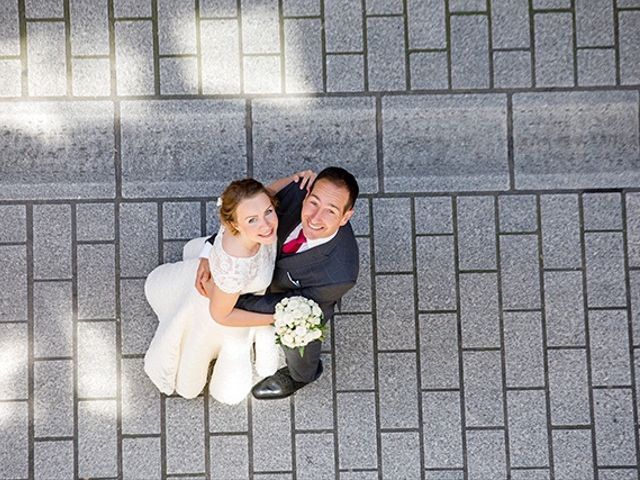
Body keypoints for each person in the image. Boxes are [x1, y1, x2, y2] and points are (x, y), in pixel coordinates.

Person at [144, 172, 315, 404]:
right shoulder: (235, 269)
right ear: (234, 224)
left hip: (236, 292)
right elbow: (221, 314)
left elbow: (272, 192)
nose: (266, 225)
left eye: (268, 212)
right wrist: (275, 319)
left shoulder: (253, 208)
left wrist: (302, 178)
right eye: (252, 220)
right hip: (225, 307)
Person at [195, 166, 359, 399]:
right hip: (258, 269)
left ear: (345, 217)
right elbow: (246, 213)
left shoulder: (339, 275)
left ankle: (302, 375)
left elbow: (290, 305)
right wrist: (211, 250)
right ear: (308, 192)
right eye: (313, 203)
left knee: (303, 332)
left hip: (299, 299)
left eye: (330, 212)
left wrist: (234, 300)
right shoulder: (295, 191)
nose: (315, 218)